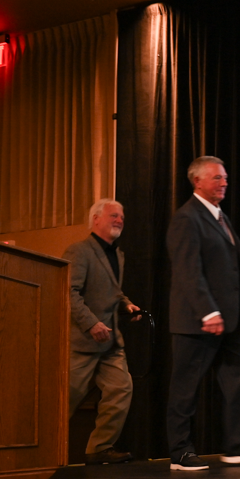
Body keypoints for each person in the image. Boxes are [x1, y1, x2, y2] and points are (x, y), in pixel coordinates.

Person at [165, 156, 240, 470]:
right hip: (198, 322)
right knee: (186, 388)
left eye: (225, 177)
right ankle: (180, 452)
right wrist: (208, 311)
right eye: (217, 178)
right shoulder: (187, 218)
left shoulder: (219, 217)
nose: (224, 183)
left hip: (231, 322)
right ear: (197, 181)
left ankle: (239, 445)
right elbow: (188, 270)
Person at [64, 198, 141, 465]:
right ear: (96, 219)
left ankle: (99, 448)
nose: (120, 220)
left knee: (121, 389)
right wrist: (91, 323)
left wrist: (126, 304)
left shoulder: (117, 254)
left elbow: (113, 292)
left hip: (110, 342)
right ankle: (40, 448)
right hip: (82, 341)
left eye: (122, 217)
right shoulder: (79, 251)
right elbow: (68, 291)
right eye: (113, 215)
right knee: (65, 398)